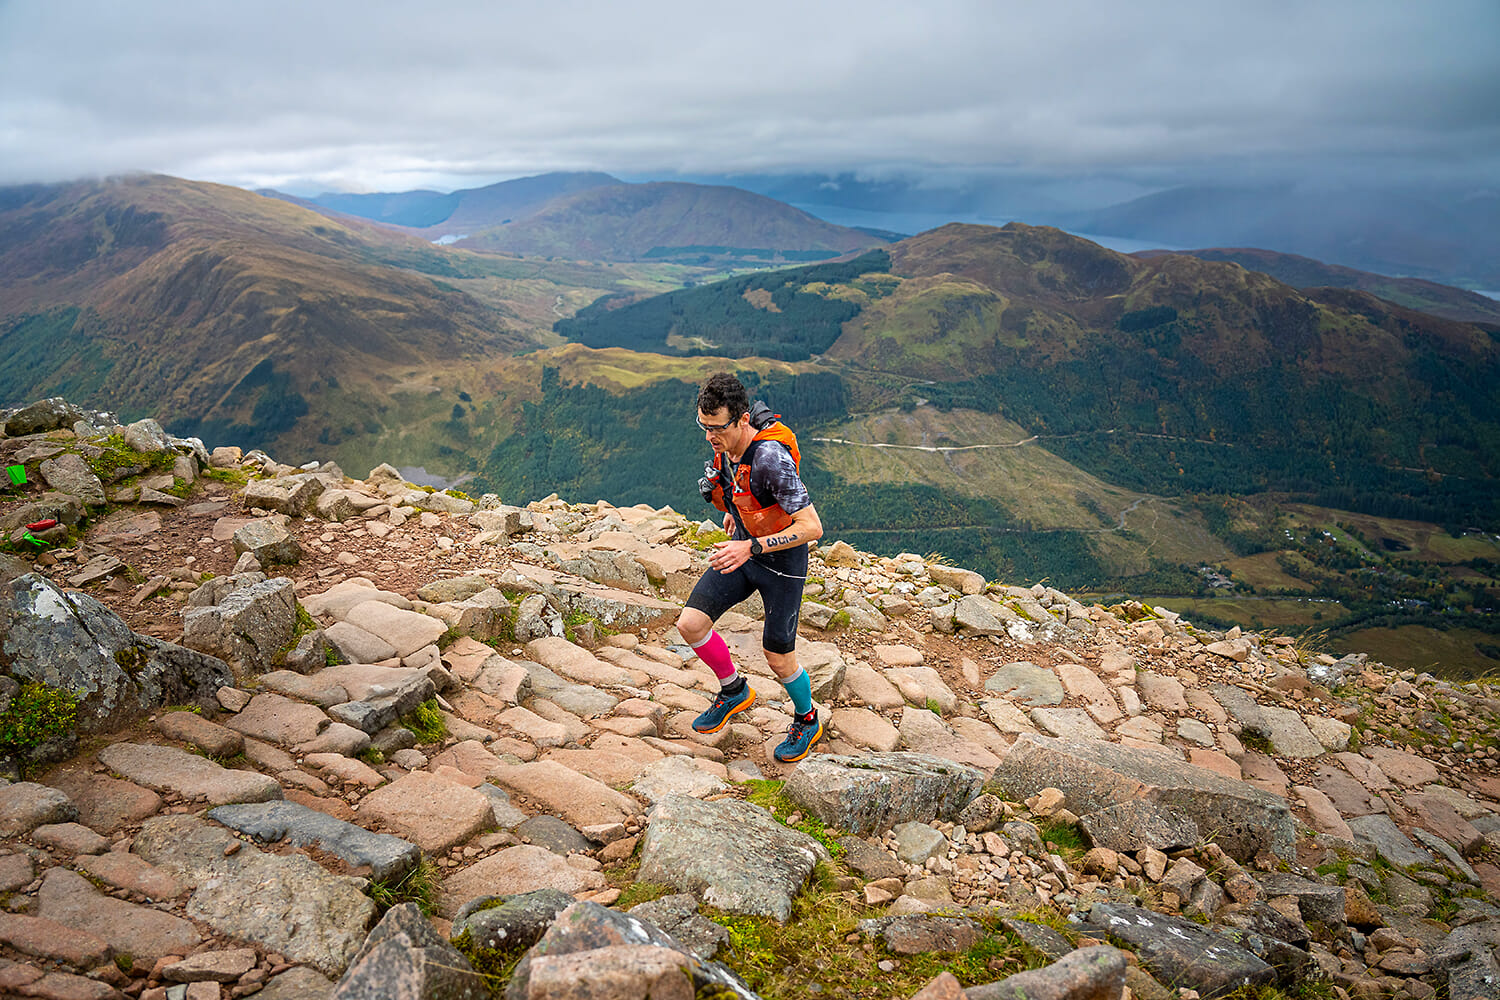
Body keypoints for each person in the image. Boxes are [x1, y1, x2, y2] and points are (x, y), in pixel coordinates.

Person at [676, 371, 826, 763]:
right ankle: (734, 691)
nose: (710, 437)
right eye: (704, 426)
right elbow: (745, 493)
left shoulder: (771, 459)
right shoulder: (725, 449)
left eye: (717, 428)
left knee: (778, 657)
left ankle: (807, 719)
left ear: (742, 420)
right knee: (690, 624)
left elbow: (812, 527)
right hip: (744, 548)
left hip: (781, 562)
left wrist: (752, 546)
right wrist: (736, 515)